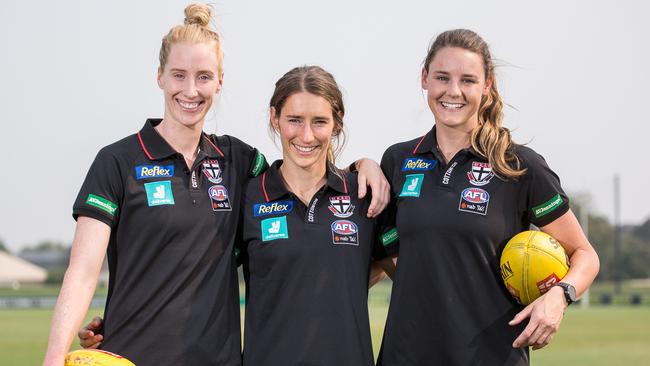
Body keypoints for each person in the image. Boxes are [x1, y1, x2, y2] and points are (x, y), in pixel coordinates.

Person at [42, 4, 388, 366]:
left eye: (204, 77)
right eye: (179, 75)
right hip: (131, 355)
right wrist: (54, 355)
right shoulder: (117, 161)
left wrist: (361, 166)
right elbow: (82, 273)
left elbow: (308, 180)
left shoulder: (237, 162)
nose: (191, 90)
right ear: (159, 76)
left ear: (219, 81)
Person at [375, 29, 600, 366]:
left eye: (467, 80)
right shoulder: (397, 160)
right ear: (424, 79)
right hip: (405, 355)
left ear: (487, 85)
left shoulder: (518, 165)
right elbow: (389, 253)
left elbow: (585, 255)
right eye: (442, 77)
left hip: (492, 357)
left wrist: (559, 296)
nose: (453, 91)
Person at [238, 65, 394, 365]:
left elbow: (411, 273)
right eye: (294, 120)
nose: (306, 136)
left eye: (319, 122)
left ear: (337, 123)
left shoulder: (362, 195)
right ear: (275, 118)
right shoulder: (250, 196)